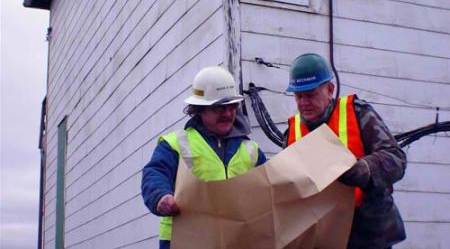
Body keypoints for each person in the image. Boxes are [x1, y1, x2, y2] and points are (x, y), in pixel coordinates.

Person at [284, 53, 407, 249]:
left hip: (367, 234)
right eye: (299, 96)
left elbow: (396, 159)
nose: (304, 103)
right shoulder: (292, 130)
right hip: (323, 236)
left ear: (330, 89)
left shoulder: (358, 113)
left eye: (311, 94)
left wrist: (364, 169)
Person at [141, 66, 267, 249]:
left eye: (232, 107)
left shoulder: (251, 150)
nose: (228, 114)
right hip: (184, 239)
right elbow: (155, 172)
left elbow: (268, 187)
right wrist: (160, 196)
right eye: (219, 108)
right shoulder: (175, 143)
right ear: (199, 109)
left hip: (236, 240)